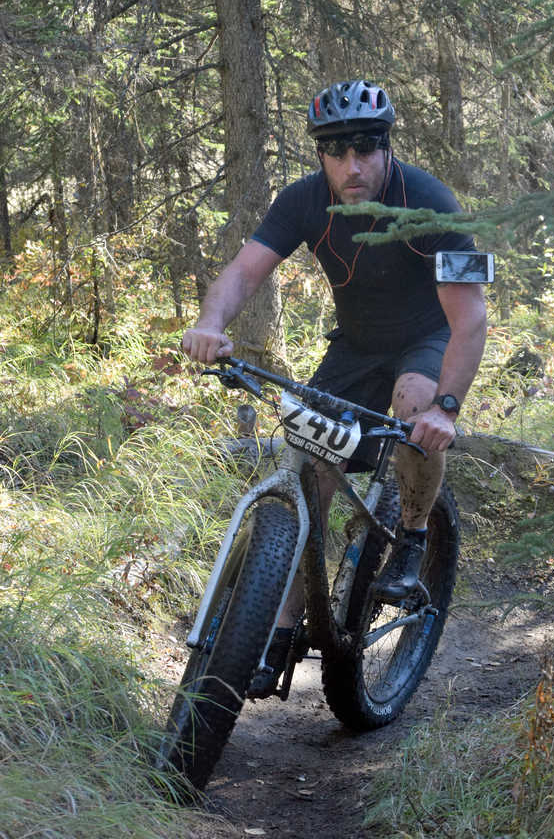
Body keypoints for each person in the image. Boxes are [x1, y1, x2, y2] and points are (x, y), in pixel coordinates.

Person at [183, 79, 487, 694]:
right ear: (320, 153)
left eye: (367, 148)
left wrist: (447, 410)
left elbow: (471, 318)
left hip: (427, 341)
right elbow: (245, 271)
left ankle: (410, 536)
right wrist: (211, 322)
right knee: (309, 470)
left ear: (386, 146)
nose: (353, 165)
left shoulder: (433, 203)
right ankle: (281, 626)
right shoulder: (301, 201)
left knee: (413, 410)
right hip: (353, 346)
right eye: (337, 150)